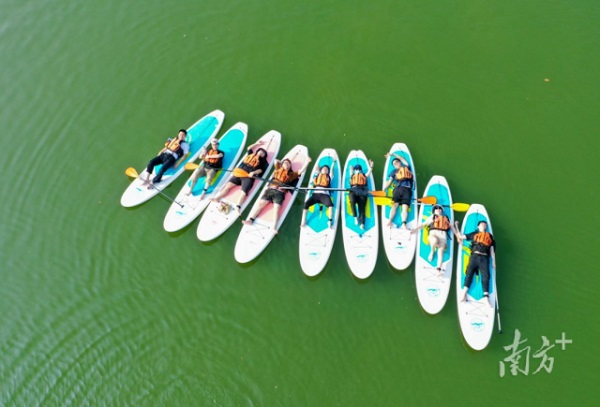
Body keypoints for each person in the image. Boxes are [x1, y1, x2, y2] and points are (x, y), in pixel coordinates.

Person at [242, 157, 310, 234]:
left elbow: (301, 171)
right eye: (285, 163)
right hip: (270, 190)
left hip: (280, 193)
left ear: (290, 166)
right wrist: (282, 163)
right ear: (282, 164)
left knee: (276, 208)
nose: (286, 164)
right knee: (260, 204)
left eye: (288, 164)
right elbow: (275, 161)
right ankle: (251, 220)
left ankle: (274, 227)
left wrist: (307, 162)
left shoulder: (291, 174)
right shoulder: (278, 168)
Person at [212, 140, 269, 215]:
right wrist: (257, 143)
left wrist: (253, 172)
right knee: (228, 186)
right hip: (239, 173)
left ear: (264, 156)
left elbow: (261, 170)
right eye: (260, 151)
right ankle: (217, 198)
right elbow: (249, 148)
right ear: (257, 151)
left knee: (243, 192)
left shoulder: (262, 161)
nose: (261, 153)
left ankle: (238, 207)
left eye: (263, 153)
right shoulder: (250, 154)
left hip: (248, 176)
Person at [411, 204, 461, 275]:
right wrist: (415, 229)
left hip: (443, 237)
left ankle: (438, 269)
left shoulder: (446, 218)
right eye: (436, 208)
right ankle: (432, 251)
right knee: (434, 240)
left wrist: (457, 236)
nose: (438, 209)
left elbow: (452, 227)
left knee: (440, 252)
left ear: (441, 211)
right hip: (433, 235)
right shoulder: (432, 217)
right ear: (434, 211)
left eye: (440, 208)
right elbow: (423, 224)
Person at [457, 220, 497, 307]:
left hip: (484, 258)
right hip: (474, 257)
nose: (483, 225)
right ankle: (464, 293)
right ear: (478, 226)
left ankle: (486, 297)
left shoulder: (490, 236)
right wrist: (456, 227)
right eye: (482, 224)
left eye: (485, 225)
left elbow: (492, 251)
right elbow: (460, 236)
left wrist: (494, 262)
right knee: (469, 274)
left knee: (486, 276)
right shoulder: (474, 234)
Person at [382, 153, 413, 229]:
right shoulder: (393, 172)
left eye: (396, 162)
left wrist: (393, 154)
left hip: (407, 189)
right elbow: (389, 182)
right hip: (398, 189)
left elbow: (402, 158)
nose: (395, 164)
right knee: (394, 205)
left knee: (405, 207)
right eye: (394, 164)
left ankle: (403, 224)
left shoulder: (406, 167)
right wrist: (384, 189)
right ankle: (390, 221)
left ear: (400, 162)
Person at [300, 164, 335, 229]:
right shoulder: (317, 175)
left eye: (327, 169)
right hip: (315, 195)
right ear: (321, 170)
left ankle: (329, 221)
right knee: (306, 204)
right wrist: (318, 167)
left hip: (324, 195)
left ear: (328, 171)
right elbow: (317, 168)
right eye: (323, 169)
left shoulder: (329, 176)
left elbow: (332, 170)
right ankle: (303, 220)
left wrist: (333, 163)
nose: (325, 170)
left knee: (330, 205)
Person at [348, 159, 374, 230]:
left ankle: (362, 223)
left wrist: (371, 166)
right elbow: (350, 169)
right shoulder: (352, 175)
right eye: (356, 169)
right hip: (353, 190)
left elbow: (369, 171)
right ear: (355, 170)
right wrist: (351, 167)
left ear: (361, 170)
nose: (358, 170)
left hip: (362, 191)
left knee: (362, 207)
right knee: (352, 202)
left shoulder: (364, 175)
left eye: (359, 169)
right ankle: (355, 217)